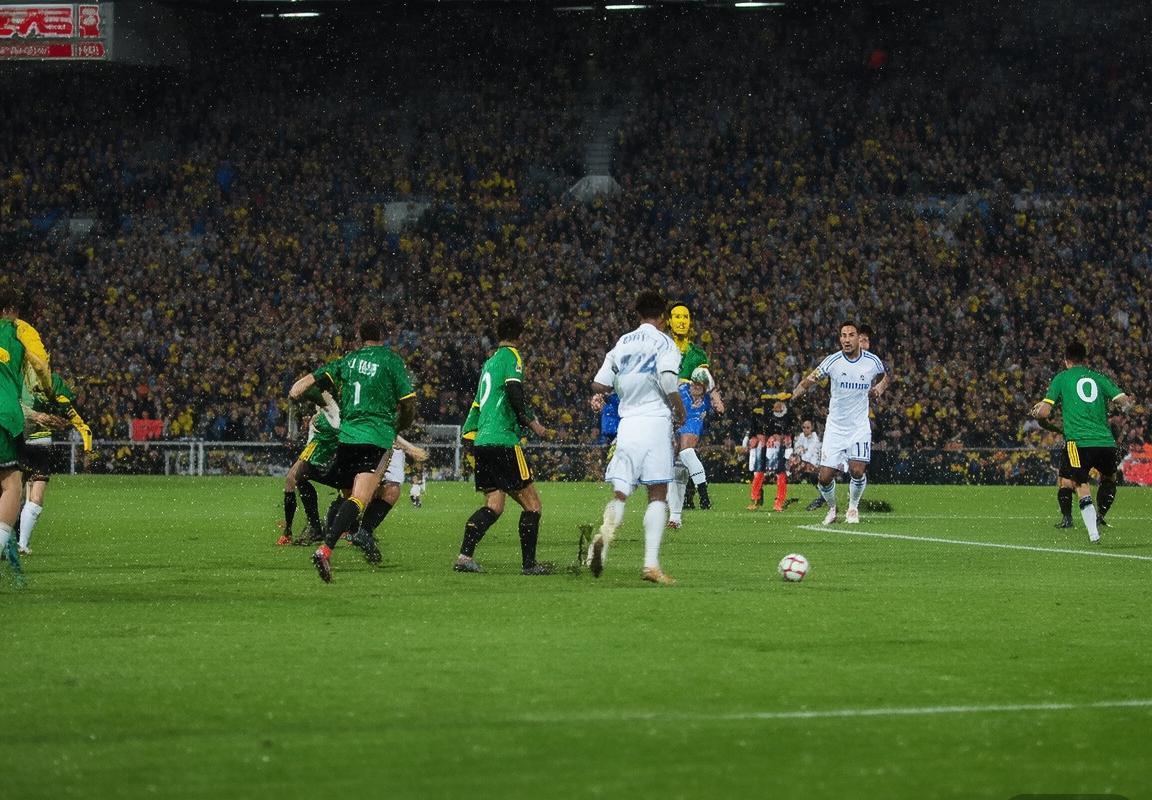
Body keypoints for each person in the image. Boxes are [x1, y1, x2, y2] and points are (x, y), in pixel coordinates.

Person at [290, 319, 416, 583]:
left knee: (348, 492)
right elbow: (408, 403)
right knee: (360, 497)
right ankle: (328, 548)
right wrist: (400, 424)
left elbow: (299, 389)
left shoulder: (347, 361)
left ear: (360, 337)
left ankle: (316, 478)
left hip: (347, 438)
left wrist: (308, 398)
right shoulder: (391, 360)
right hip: (375, 438)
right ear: (383, 336)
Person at [587, 290, 687, 585]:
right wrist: (679, 409)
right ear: (664, 316)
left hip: (627, 424)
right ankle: (651, 565)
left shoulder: (622, 342)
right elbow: (668, 379)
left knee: (621, 492)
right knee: (657, 493)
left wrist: (620, 385)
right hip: (655, 422)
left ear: (638, 314)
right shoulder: (665, 343)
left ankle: (603, 535)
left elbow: (599, 383)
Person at [453, 315, 554, 575]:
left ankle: (464, 557)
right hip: (504, 441)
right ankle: (529, 565)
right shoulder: (512, 357)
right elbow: (514, 392)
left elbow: (478, 403)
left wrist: (470, 434)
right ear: (521, 336)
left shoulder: (489, 363)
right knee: (533, 505)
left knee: (494, 506)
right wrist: (533, 423)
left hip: (483, 441)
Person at [1030, 341, 1132, 543]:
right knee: (1109, 478)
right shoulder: (1098, 377)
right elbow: (1125, 402)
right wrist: (1125, 407)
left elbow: (1044, 412)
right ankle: (1100, 516)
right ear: (1085, 359)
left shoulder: (1062, 378)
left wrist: (1037, 412)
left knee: (1080, 483)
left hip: (1078, 442)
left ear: (1066, 360)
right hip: (1105, 441)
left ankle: (1093, 533)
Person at [791, 322, 888, 525]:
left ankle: (853, 507)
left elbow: (889, 375)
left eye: (851, 335)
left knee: (857, 471)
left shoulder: (872, 362)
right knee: (824, 477)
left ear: (858, 339)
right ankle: (833, 508)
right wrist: (796, 392)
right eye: (843, 335)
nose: (846, 339)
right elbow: (811, 378)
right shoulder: (832, 361)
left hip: (859, 427)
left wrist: (879, 388)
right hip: (835, 428)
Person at [0, 289, 59, 580]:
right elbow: (41, 367)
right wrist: (48, 395)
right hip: (11, 417)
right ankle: (11, 543)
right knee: (14, 484)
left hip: (17, 419)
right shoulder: (20, 332)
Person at [18, 371, 93, 554]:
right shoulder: (55, 389)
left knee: (16, 495)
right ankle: (21, 543)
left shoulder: (21, 381)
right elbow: (76, 420)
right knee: (31, 497)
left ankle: (14, 542)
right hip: (37, 443)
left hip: (23, 441)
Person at [666, 302, 724, 510]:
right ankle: (684, 497)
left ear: (690, 322)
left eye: (685, 317)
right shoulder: (660, 349)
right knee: (671, 455)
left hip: (691, 407)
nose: (682, 321)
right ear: (669, 321)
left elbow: (705, 378)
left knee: (686, 451)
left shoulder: (698, 353)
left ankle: (702, 494)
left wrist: (716, 398)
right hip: (664, 408)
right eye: (677, 316)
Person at [278, 389, 341, 546]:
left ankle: (323, 527)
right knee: (293, 478)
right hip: (316, 449)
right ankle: (302, 529)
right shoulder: (321, 411)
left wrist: (299, 390)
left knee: (349, 492)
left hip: (327, 451)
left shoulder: (334, 407)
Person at [667, 376, 712, 529]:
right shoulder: (682, 388)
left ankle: (702, 492)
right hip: (671, 424)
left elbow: (717, 400)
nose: (696, 387)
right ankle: (674, 516)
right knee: (674, 470)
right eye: (694, 384)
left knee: (686, 453)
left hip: (689, 421)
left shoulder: (704, 402)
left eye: (700, 385)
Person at [790, 419, 824, 510]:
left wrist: (801, 450)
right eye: (804, 427)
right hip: (806, 464)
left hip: (815, 465)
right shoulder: (801, 436)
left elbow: (807, 456)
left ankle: (823, 496)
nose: (805, 430)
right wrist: (801, 450)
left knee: (811, 476)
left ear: (812, 428)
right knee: (793, 460)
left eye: (808, 428)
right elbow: (796, 449)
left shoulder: (815, 439)